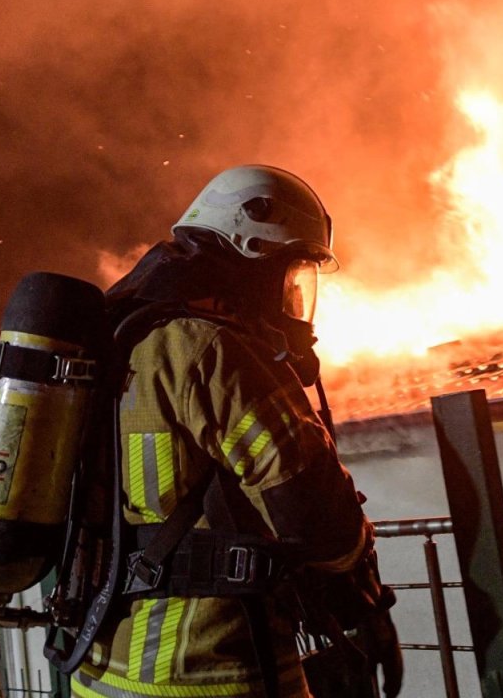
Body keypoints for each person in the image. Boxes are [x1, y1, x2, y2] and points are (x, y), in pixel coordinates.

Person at [69, 165, 402, 698]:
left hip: (100, 670)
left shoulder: (119, 343)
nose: (293, 300)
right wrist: (367, 605)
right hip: (212, 674)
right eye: (290, 276)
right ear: (253, 258)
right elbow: (317, 517)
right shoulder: (218, 352)